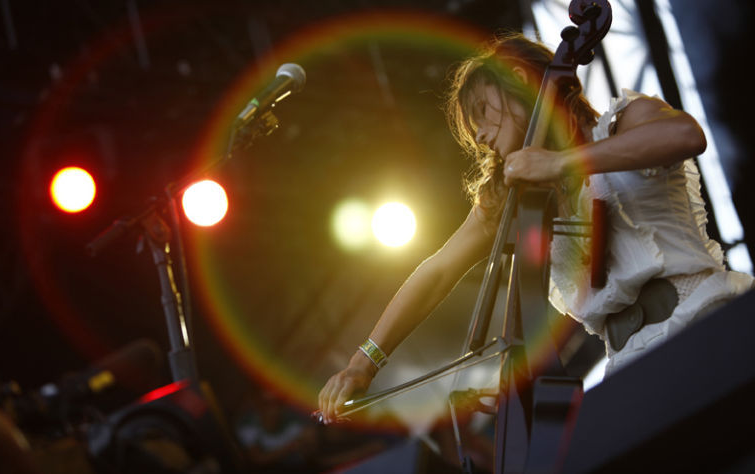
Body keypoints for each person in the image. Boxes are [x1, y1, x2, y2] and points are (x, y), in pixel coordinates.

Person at [317, 31, 754, 424]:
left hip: (706, 321)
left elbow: (685, 136)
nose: (481, 137)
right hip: (633, 366)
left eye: (483, 113)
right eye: (473, 130)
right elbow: (436, 273)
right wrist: (364, 362)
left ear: (519, 81)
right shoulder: (512, 198)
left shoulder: (626, 120)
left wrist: (562, 161)